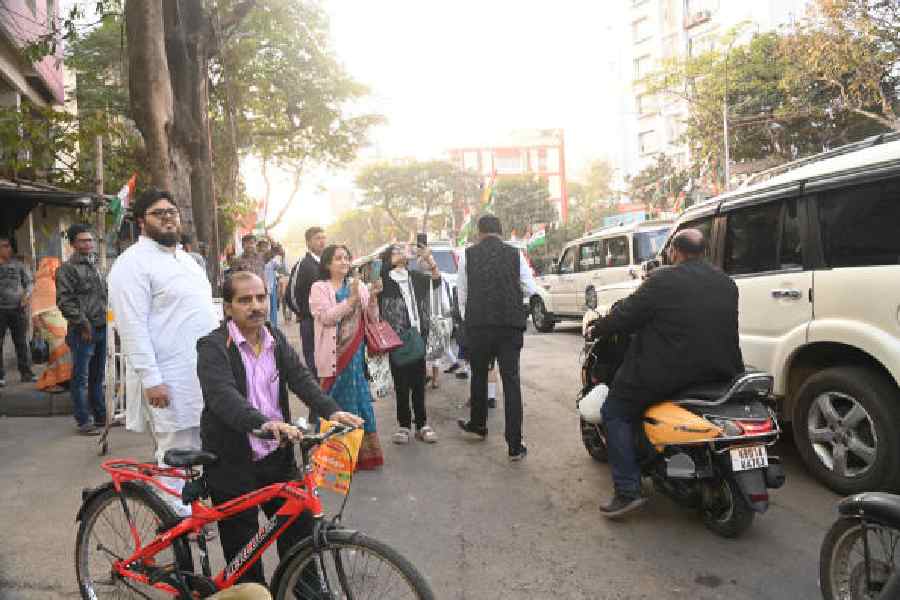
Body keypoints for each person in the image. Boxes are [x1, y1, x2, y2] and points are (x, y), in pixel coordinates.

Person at [196, 270, 363, 585]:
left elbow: (299, 377)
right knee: (245, 556)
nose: (255, 306)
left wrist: (332, 411)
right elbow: (223, 398)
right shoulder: (212, 347)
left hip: (277, 456)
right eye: (245, 300)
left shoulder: (274, 338)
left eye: (261, 298)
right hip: (232, 464)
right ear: (228, 308)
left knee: (300, 540)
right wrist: (263, 423)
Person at [588, 229, 744, 517]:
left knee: (616, 411)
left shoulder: (662, 279)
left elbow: (627, 315)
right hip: (723, 370)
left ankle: (627, 491)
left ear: (674, 252)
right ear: (704, 252)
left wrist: (598, 327)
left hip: (671, 373)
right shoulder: (726, 283)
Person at [108, 189, 220, 519]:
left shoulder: (187, 260)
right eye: (159, 213)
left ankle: (191, 517)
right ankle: (175, 530)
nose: (168, 217)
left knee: (199, 447)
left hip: (204, 372)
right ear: (141, 221)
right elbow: (131, 328)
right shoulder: (131, 265)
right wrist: (151, 379)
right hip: (168, 376)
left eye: (172, 211)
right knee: (174, 450)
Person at [456, 215, 538, 462]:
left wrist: (470, 319)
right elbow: (530, 288)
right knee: (511, 381)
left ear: (479, 233)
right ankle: (514, 445)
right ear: (500, 233)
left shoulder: (467, 256)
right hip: (509, 326)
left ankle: (479, 424)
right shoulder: (515, 254)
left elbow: (463, 293)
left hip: (479, 326)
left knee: (479, 375)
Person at [310, 245, 384, 470]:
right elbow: (325, 318)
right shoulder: (319, 288)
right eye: (338, 258)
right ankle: (331, 457)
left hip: (355, 357)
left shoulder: (358, 284)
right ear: (327, 264)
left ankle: (361, 456)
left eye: (346, 258)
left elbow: (372, 317)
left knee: (359, 401)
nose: (344, 262)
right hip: (334, 357)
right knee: (332, 401)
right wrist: (350, 301)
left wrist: (372, 298)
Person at [378, 243, 442, 445]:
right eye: (395, 252)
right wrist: (391, 260)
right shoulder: (385, 280)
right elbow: (373, 277)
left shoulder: (415, 277)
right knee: (401, 384)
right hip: (396, 338)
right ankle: (404, 425)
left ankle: (422, 424)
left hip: (417, 336)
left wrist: (429, 260)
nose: (402, 254)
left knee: (419, 383)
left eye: (402, 251)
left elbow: (437, 281)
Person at [56, 225, 109, 435]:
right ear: (73, 244)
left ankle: (100, 417)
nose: (88, 244)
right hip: (83, 331)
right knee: (80, 378)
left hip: (101, 326)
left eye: (90, 240)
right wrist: (82, 324)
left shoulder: (95, 265)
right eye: (83, 241)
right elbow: (65, 301)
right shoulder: (67, 269)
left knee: (97, 376)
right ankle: (83, 420)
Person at [286, 227, 327, 376]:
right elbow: (290, 296)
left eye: (324, 237)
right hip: (310, 323)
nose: (322, 241)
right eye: (318, 238)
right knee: (314, 365)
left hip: (328, 323)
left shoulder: (327, 264)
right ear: (308, 242)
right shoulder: (303, 265)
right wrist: (304, 313)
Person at [31, 257, 72, 392]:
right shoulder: (42, 283)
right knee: (57, 354)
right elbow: (36, 309)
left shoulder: (54, 281)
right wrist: (38, 328)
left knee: (62, 354)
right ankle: (51, 381)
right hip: (49, 326)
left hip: (60, 324)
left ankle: (63, 379)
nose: (56, 269)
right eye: (54, 266)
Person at [0, 234, 35, 388]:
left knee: (21, 342)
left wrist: (26, 297)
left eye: (8, 246)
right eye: (3, 246)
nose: (8, 249)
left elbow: (29, 283)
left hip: (18, 309)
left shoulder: (19, 265)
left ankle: (26, 373)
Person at [263, 243, 287, 329]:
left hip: (271, 287)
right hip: (262, 288)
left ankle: (273, 328)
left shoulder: (272, 261)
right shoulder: (258, 260)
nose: (264, 248)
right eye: (262, 246)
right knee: (266, 310)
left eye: (265, 246)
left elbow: (282, 268)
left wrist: (283, 256)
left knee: (272, 310)